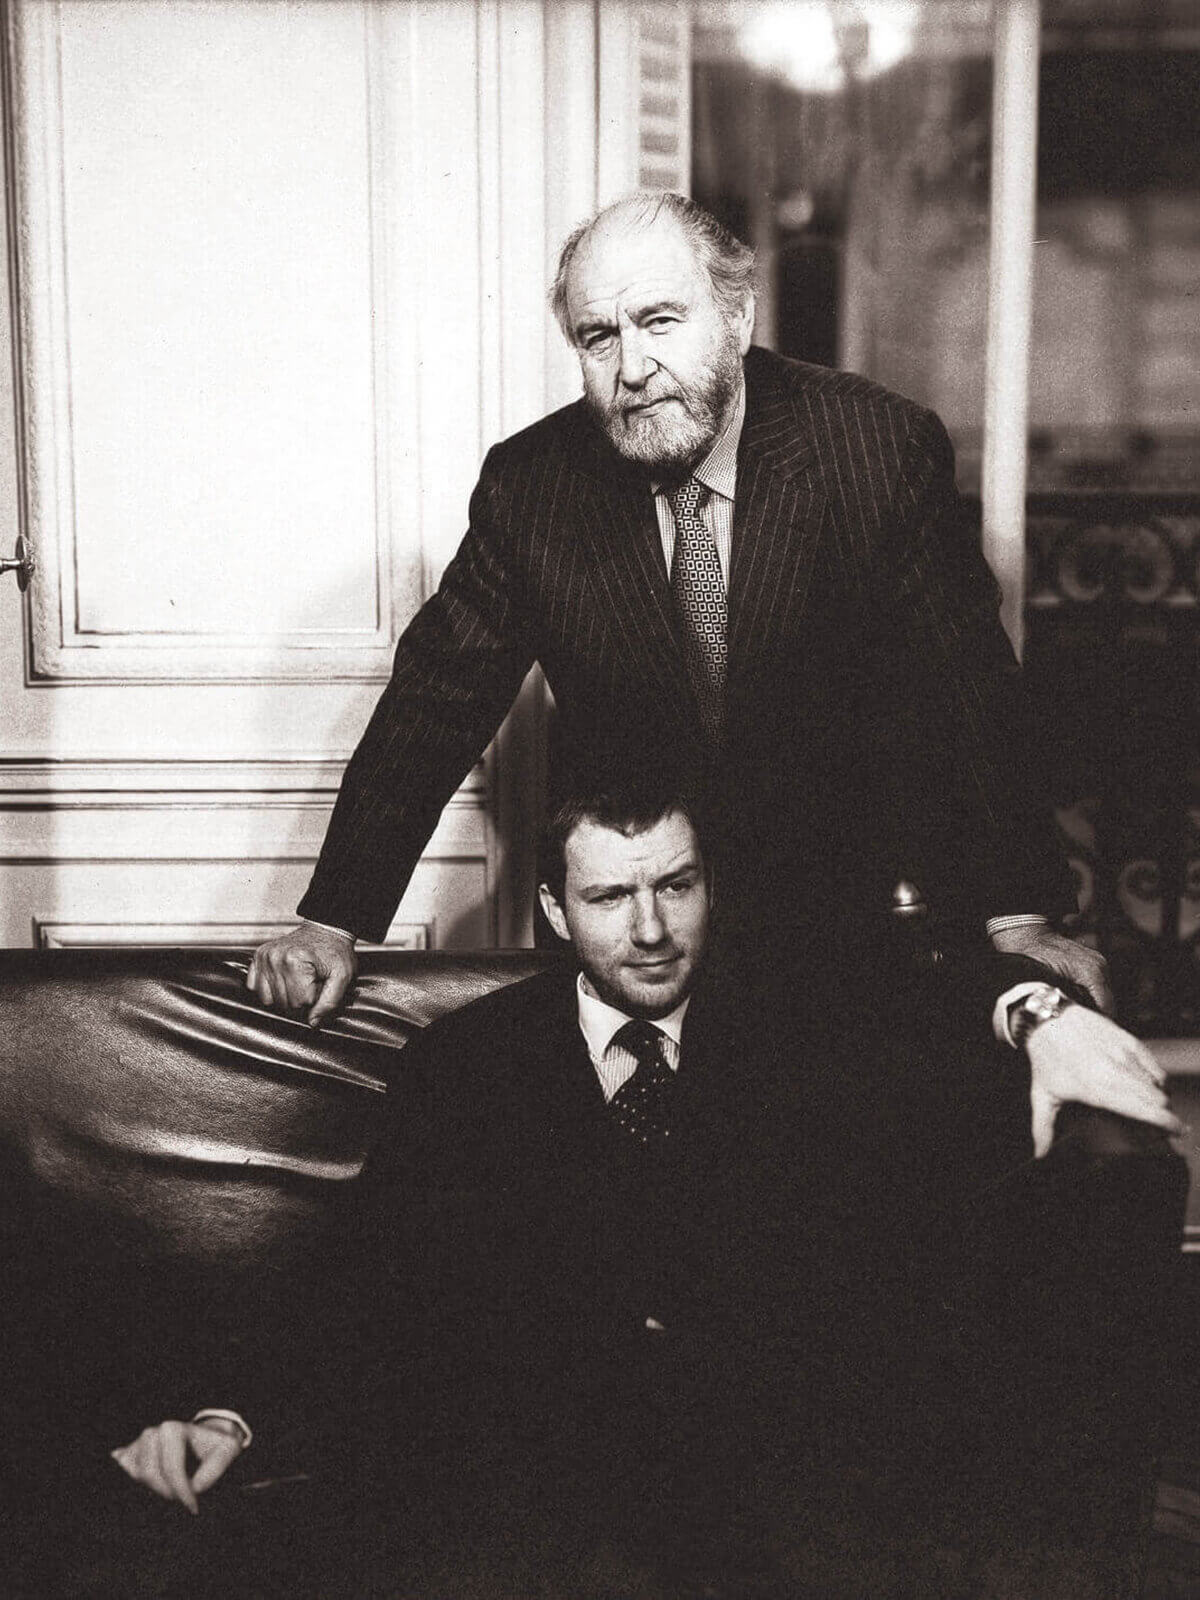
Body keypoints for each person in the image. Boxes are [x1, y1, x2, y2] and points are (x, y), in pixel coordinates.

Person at [116, 774, 1181, 1597]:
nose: (653, 929)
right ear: (554, 908)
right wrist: (231, 1418)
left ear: (709, 886)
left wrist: (1041, 1017)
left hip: (777, 1493)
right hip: (545, 1497)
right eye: (610, 896)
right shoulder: (465, 1066)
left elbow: (934, 1005)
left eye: (676, 885)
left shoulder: (801, 1030)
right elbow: (362, 1276)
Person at [247, 189, 1108, 1032]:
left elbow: (968, 689)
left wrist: (1021, 918)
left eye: (659, 321)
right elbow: (437, 700)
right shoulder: (532, 486)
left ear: (737, 318)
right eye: (598, 337)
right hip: (638, 937)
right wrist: (334, 919)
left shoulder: (873, 449)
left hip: (848, 920)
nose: (631, 368)